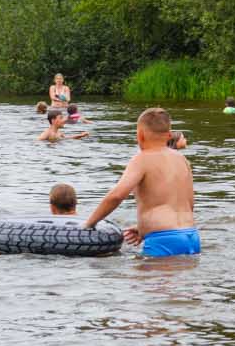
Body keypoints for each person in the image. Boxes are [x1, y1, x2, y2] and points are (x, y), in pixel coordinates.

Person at [82, 107, 199, 256]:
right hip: (191, 236)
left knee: (146, 279)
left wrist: (89, 224)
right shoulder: (182, 160)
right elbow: (189, 203)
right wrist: (144, 228)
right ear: (169, 135)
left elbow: (116, 196)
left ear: (140, 135)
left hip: (163, 239)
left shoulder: (142, 159)